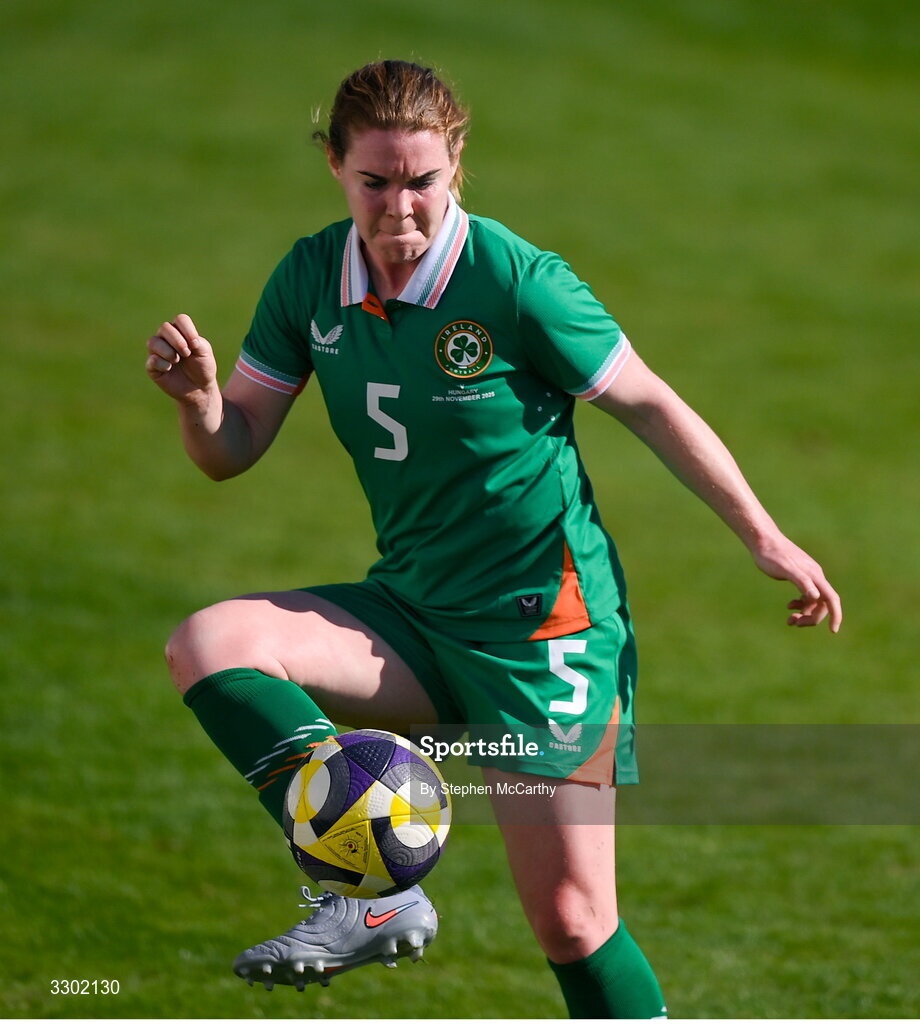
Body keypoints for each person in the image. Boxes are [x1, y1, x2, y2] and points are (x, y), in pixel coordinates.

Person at [145, 60, 842, 1018]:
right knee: (210, 644)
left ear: (456, 164)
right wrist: (198, 403)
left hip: (543, 633)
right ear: (335, 166)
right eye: (374, 181)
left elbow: (649, 403)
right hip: (415, 614)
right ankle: (371, 891)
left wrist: (765, 536)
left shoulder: (515, 282)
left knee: (572, 920)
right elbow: (232, 451)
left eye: (421, 181)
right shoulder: (310, 278)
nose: (400, 208)